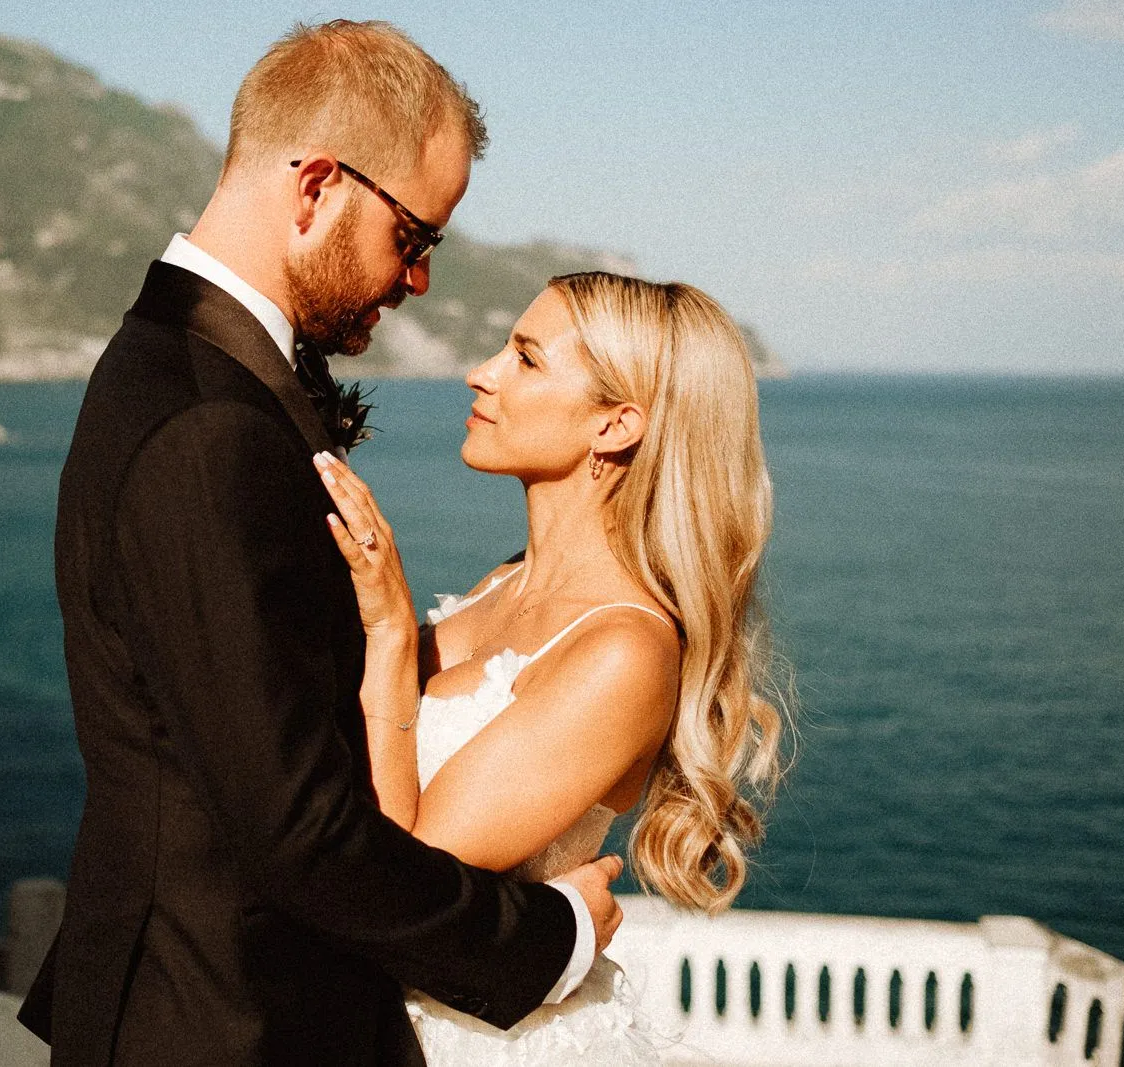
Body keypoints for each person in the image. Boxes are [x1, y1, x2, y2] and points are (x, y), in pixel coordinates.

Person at [16, 20, 625, 1067]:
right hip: (229, 1024)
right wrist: (552, 938)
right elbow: (300, 832)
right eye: (415, 237)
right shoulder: (209, 426)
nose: (419, 280)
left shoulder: (178, 369)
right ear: (317, 189)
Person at [313, 271, 785, 1063]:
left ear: (616, 425)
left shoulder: (624, 651)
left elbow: (405, 878)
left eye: (526, 358)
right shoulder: (503, 580)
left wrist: (394, 634)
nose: (482, 372)